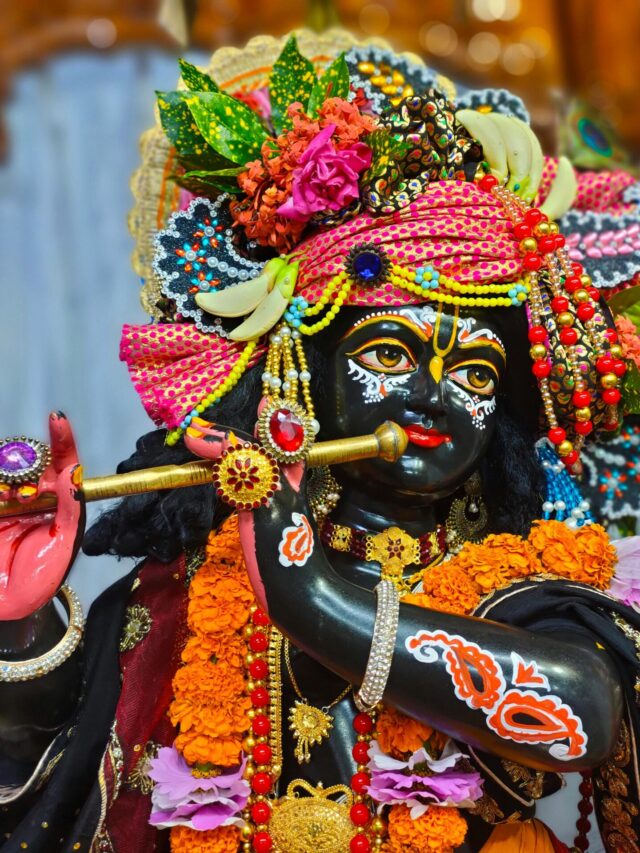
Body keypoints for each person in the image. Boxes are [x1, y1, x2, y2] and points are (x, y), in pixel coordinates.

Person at [1, 29, 640, 853]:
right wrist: (20, 625)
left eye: (475, 373)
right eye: (389, 355)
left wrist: (309, 596)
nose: (433, 394)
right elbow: (53, 779)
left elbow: (584, 712)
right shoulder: (184, 591)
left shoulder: (523, 584)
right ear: (301, 370)